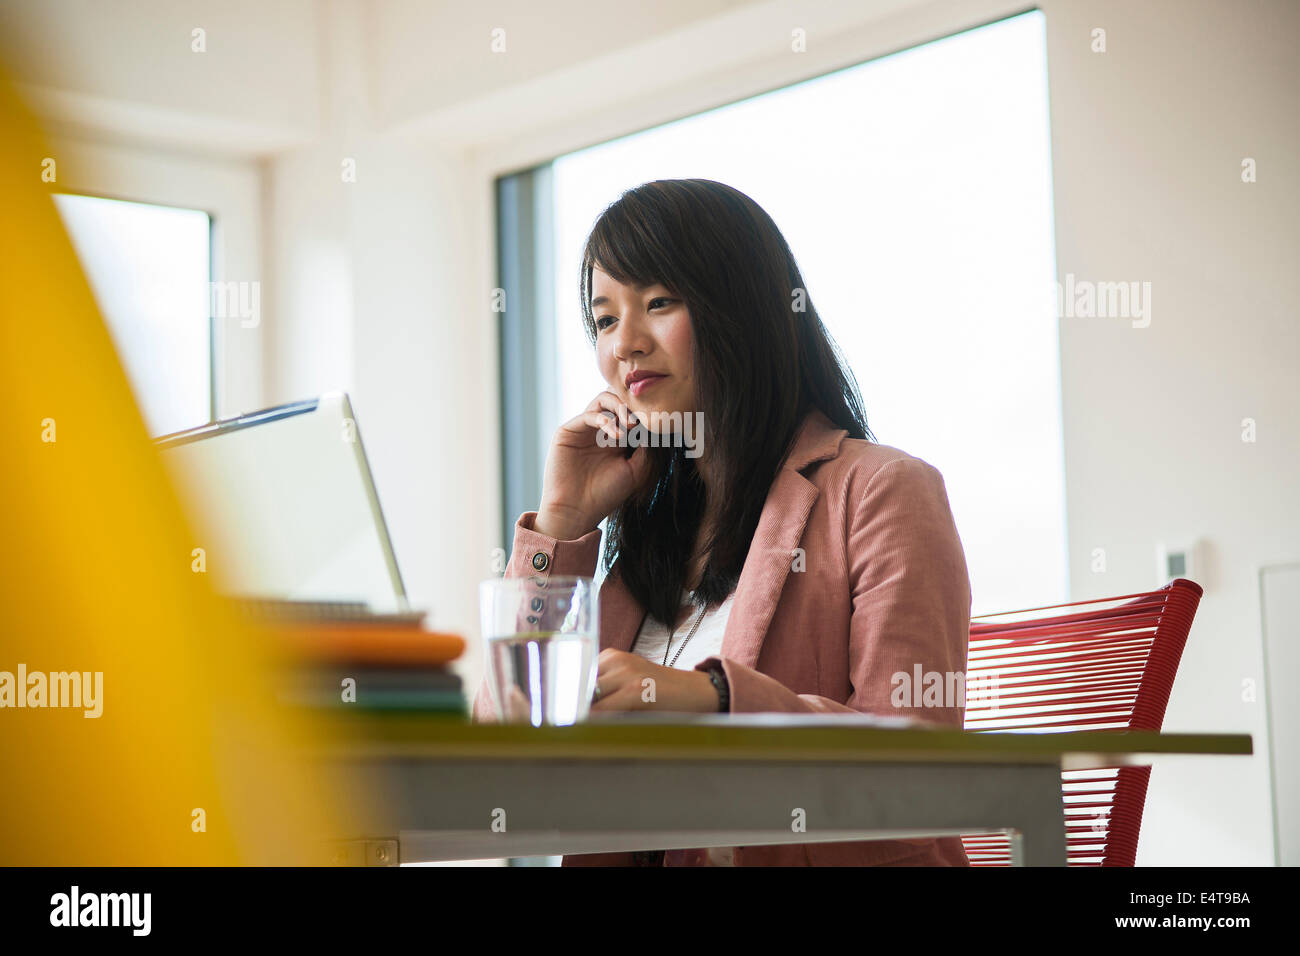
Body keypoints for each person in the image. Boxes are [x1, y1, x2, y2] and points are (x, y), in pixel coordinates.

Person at [473, 178, 972, 867]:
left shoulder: (883, 491)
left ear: (739, 310)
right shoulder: (647, 530)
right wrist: (560, 525)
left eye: (657, 303)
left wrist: (713, 698)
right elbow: (499, 746)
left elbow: (922, 766)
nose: (625, 344)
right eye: (606, 319)